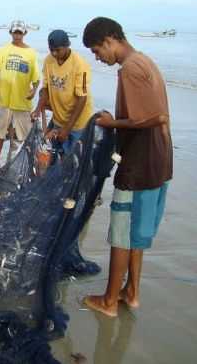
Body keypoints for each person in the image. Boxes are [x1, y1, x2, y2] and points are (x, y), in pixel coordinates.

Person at [81, 17, 173, 317]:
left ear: (110, 40)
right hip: (159, 162)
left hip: (138, 165)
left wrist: (109, 122)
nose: (97, 57)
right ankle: (130, 293)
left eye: (97, 51)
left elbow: (151, 117)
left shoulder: (130, 69)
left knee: (122, 233)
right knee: (136, 234)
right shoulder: (145, 61)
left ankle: (108, 301)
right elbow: (151, 114)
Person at [0, 20, 40, 175]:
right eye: (15, 32)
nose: (17, 35)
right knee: (0, 134)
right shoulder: (4, 50)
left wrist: (34, 91)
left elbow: (36, 79)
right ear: (10, 33)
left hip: (22, 104)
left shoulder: (31, 53)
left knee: (21, 138)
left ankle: (18, 167)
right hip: (4, 102)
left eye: (20, 33)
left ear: (24, 34)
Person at [31, 29, 94, 153]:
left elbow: (82, 98)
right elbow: (45, 88)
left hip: (77, 124)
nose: (54, 53)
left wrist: (67, 129)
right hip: (58, 119)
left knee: (72, 162)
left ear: (67, 46)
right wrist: (37, 109)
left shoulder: (80, 64)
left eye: (58, 50)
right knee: (50, 155)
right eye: (51, 50)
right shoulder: (48, 60)